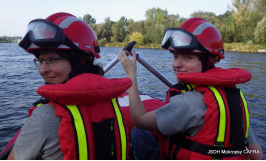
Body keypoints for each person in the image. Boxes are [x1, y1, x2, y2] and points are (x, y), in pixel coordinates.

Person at [118, 17, 263, 160]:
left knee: (139, 133)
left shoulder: (188, 103)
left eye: (188, 57)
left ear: (209, 60)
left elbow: (140, 120)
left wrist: (131, 74)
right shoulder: (235, 95)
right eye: (175, 56)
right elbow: (256, 152)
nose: (176, 64)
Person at [7, 12, 132, 160]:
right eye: (40, 61)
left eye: (52, 60)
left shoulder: (44, 116)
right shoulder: (110, 102)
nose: (42, 70)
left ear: (81, 61)